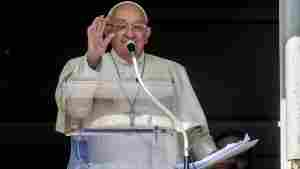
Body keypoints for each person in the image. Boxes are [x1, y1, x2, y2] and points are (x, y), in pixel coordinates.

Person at [55, 1, 228, 169]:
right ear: (108, 30)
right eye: (121, 26)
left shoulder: (172, 71)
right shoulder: (79, 66)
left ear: (147, 35)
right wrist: (92, 60)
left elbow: (193, 131)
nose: (130, 33)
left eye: (137, 27)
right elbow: (74, 114)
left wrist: (213, 159)